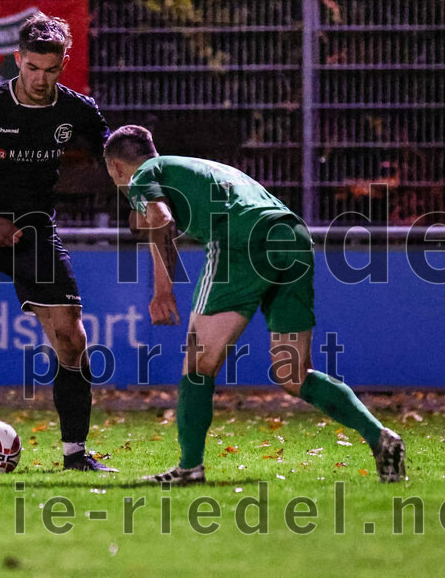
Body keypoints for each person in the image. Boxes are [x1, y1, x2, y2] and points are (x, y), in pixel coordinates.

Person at [102, 124, 406, 484]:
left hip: (240, 243)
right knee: (293, 373)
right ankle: (380, 438)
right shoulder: (197, 168)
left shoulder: (143, 176)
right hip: (291, 236)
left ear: (117, 169)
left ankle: (189, 468)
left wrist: (163, 287)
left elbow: (160, 219)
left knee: (198, 363)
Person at [0, 12, 116, 471]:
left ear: (63, 64)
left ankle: (75, 455)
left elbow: (113, 157)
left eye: (50, 70)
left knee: (71, 336)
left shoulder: (77, 110)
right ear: (18, 59)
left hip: (35, 227)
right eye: (32, 68)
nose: (40, 78)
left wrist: (141, 193)